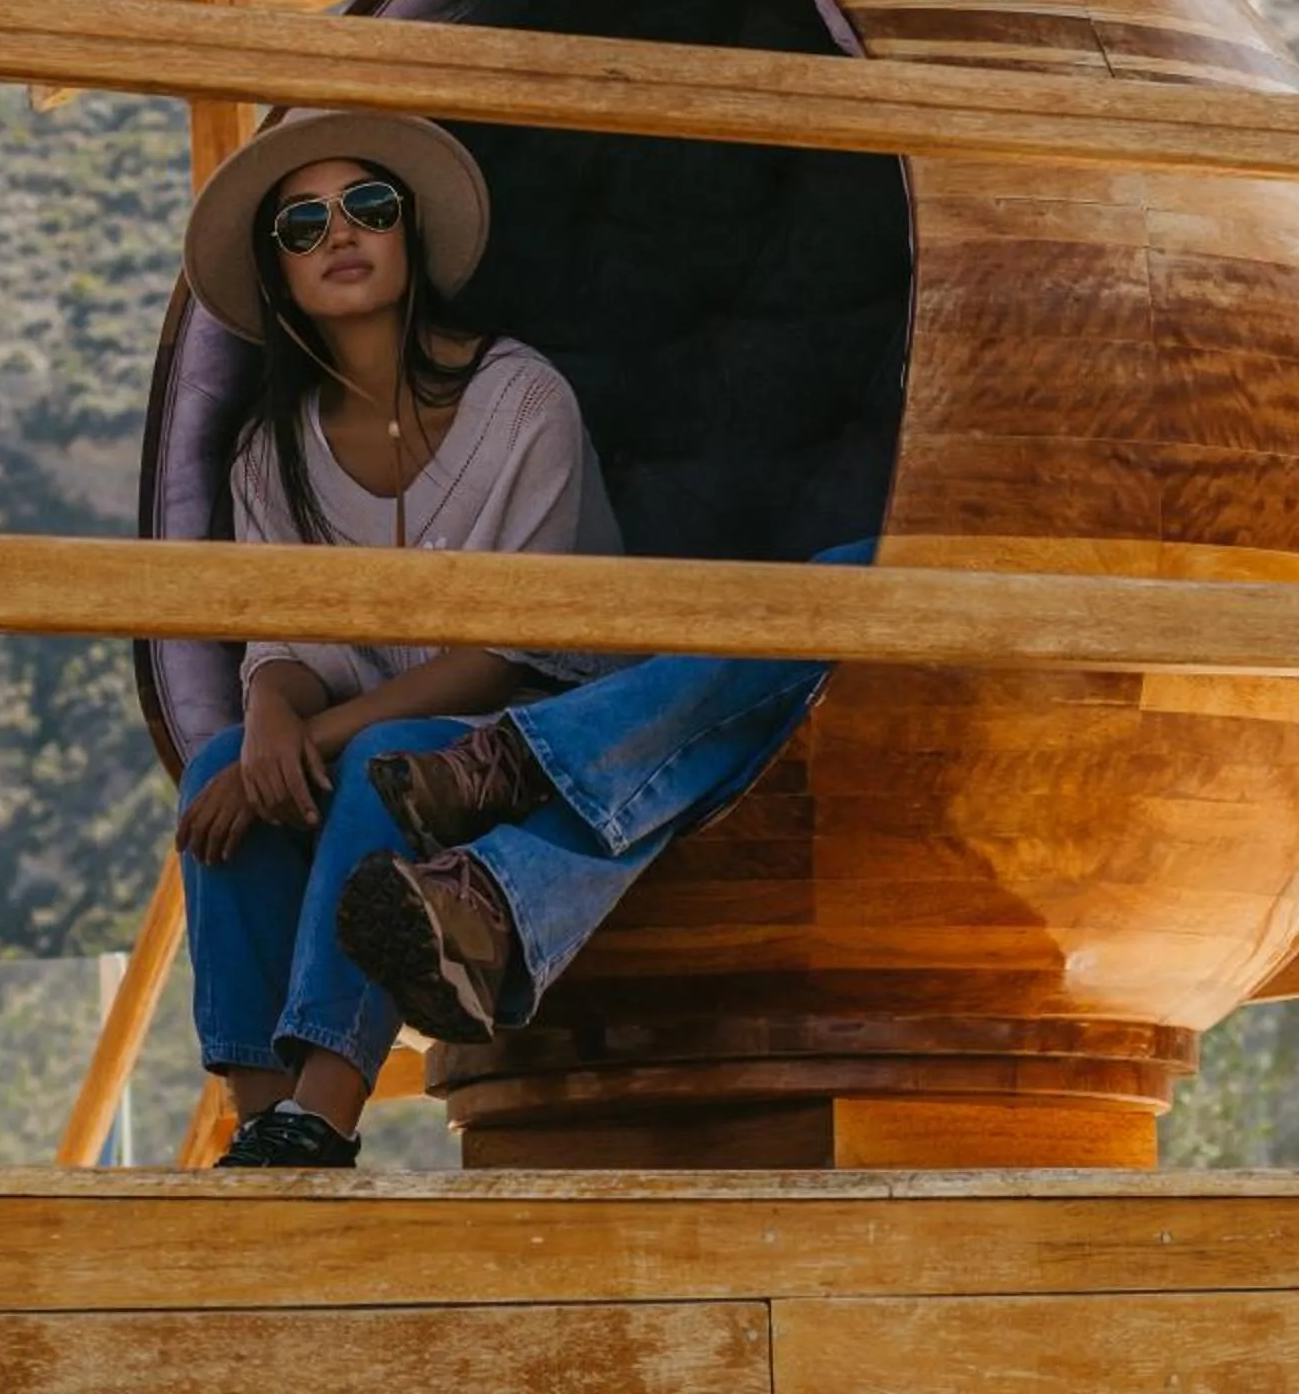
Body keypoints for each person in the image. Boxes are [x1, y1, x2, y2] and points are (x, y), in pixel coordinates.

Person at [172, 109, 857, 1171]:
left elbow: (504, 648)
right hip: (379, 734)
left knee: (375, 764)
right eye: (302, 225)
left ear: (410, 237)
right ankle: (262, 1118)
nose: (339, 234)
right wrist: (267, 715)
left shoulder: (520, 395)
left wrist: (319, 733)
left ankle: (325, 1110)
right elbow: (282, 638)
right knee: (220, 767)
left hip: (520, 720)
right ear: (278, 269)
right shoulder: (272, 452)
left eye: (369, 207)